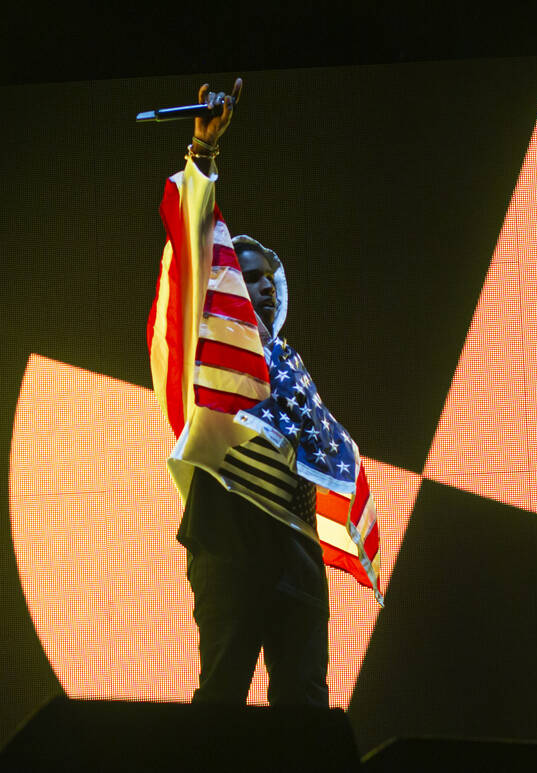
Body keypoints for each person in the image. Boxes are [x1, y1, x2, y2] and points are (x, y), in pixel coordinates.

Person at [147, 79, 374, 707]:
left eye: (270, 282)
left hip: (295, 540)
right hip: (230, 529)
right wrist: (203, 155)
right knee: (222, 693)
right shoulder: (213, 345)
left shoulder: (295, 368)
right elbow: (194, 239)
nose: (262, 291)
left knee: (305, 699)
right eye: (246, 280)